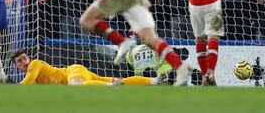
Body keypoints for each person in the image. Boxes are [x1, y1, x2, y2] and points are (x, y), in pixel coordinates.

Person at [11, 49, 159, 85]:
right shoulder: (34, 81)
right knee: (120, 82)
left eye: (24, 58)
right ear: (16, 65)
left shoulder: (34, 64)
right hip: (83, 76)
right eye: (20, 61)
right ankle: (154, 81)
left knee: (78, 86)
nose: (24, 61)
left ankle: (109, 86)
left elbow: (26, 83)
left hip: (73, 72)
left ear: (29, 57)